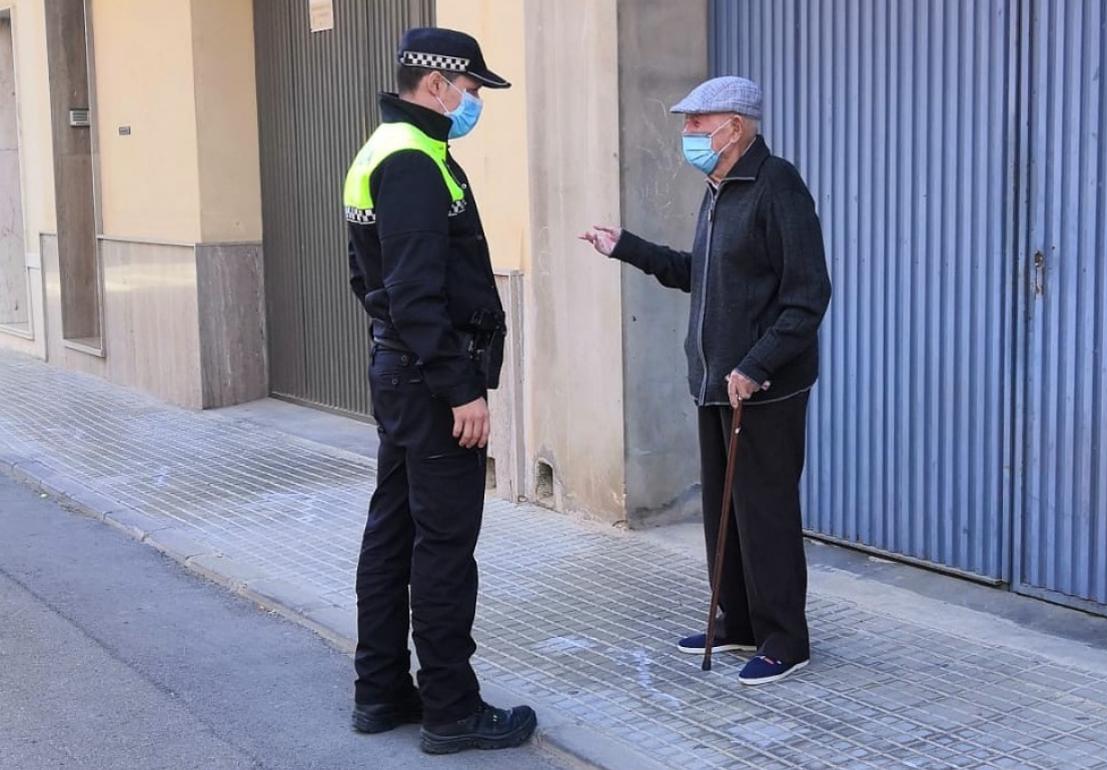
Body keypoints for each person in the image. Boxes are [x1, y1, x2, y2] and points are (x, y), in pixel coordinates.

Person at [581, 76, 831, 686]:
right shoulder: (718, 190)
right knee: (726, 508)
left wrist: (756, 364)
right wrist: (628, 248)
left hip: (762, 388)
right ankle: (740, 619)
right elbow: (706, 276)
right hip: (716, 382)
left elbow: (807, 295)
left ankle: (785, 639)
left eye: (697, 123)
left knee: (764, 512)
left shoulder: (778, 188)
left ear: (735, 127)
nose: (687, 135)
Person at [343, 27, 536, 753]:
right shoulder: (415, 163)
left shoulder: (382, 150)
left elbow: (371, 283)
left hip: (402, 371)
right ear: (436, 84)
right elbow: (417, 294)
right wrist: (462, 389)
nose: (475, 101)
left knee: (392, 533)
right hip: (431, 380)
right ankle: (452, 708)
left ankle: (382, 690)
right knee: (445, 544)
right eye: (473, 89)